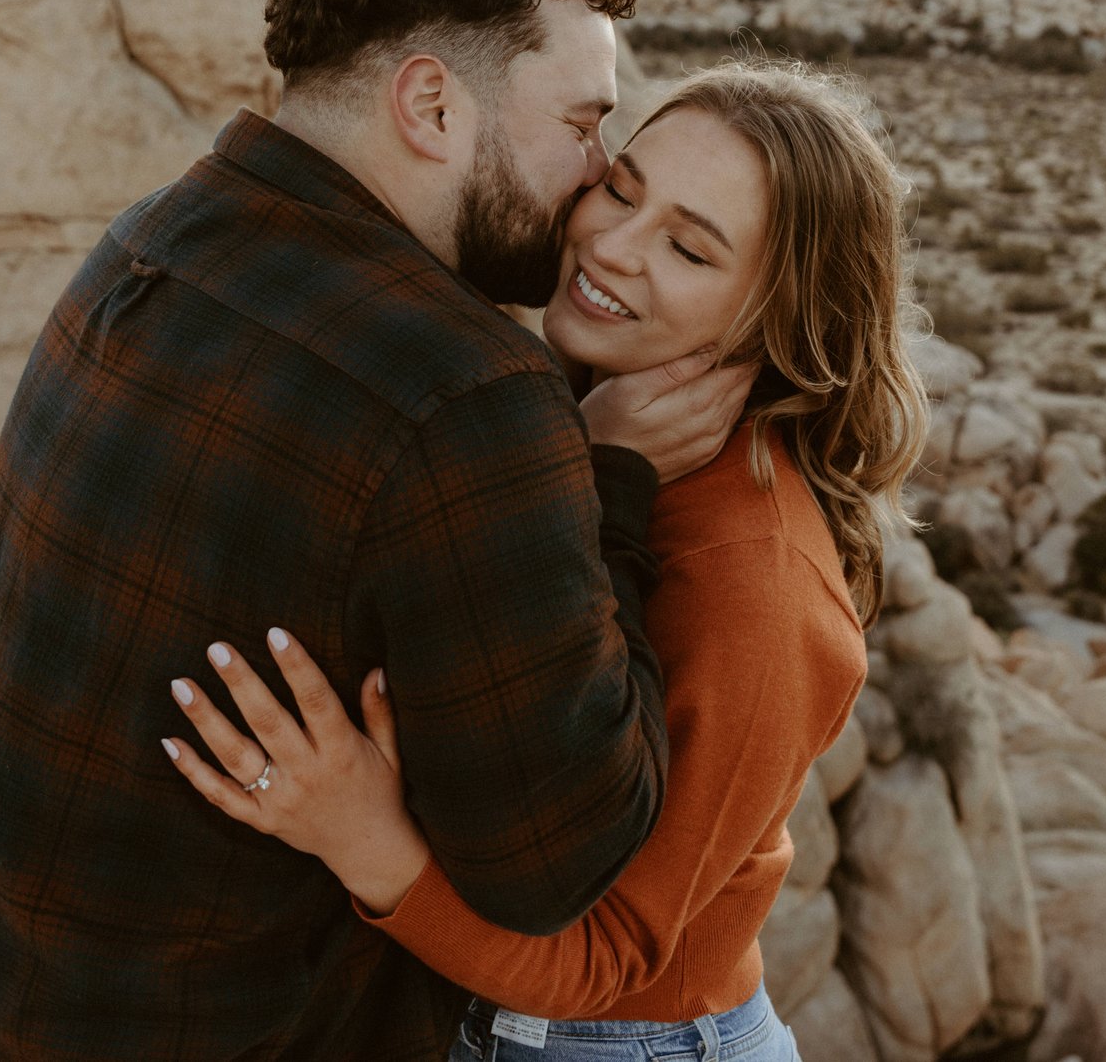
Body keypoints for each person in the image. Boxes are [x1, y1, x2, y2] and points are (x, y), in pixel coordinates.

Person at [0, 0, 756, 1061]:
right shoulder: (466, 391)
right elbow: (560, 860)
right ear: (432, 105)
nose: (595, 178)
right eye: (583, 125)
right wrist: (618, 482)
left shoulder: (150, 235)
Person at [166, 62, 928, 1062]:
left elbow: (607, 958)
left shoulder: (762, 589)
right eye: (622, 186)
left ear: (778, 320)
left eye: (690, 248)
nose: (611, 245)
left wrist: (359, 834)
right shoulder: (579, 420)